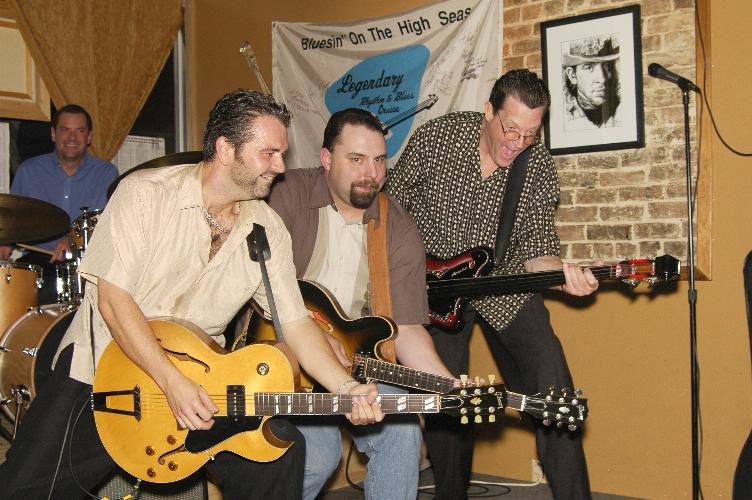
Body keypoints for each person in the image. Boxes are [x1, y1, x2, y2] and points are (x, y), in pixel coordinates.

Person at [0, 90, 382, 500]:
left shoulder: (267, 229)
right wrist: (170, 380)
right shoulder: (144, 194)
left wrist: (346, 388)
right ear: (226, 149)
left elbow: (295, 323)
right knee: (22, 490)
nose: (280, 166)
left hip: (204, 383)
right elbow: (113, 300)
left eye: (281, 154)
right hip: (103, 374)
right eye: (268, 153)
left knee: (279, 454)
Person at [385, 69, 599, 500]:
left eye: (530, 134)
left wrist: (564, 277)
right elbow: (388, 209)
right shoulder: (438, 139)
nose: (518, 143)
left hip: (505, 285)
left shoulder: (536, 166)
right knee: (447, 402)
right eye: (511, 129)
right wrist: (400, 280)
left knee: (555, 393)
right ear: (488, 110)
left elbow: (538, 249)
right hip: (435, 289)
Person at [266, 108, 456, 500]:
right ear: (326, 158)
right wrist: (314, 337)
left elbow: (407, 327)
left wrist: (446, 383)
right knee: (317, 457)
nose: (371, 173)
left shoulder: (398, 226)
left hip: (358, 361)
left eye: (379, 160)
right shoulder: (286, 195)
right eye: (357, 159)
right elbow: (257, 283)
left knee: (402, 426)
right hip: (280, 354)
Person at [0, 104, 119, 304]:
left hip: (87, 261)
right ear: (54, 134)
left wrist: (73, 239)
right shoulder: (29, 171)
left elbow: (100, 221)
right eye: (65, 130)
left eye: (79, 131)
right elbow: (12, 220)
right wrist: (5, 242)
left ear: (89, 137)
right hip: (40, 261)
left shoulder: (106, 173)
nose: (72, 138)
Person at [562, 35, 622, 130]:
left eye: (606, 66)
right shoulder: (567, 116)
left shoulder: (620, 108)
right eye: (589, 67)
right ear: (572, 75)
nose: (602, 78)